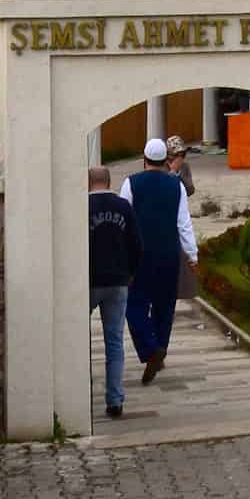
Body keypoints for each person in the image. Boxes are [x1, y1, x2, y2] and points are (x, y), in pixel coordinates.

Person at [121, 138, 198, 384]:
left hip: (139, 255)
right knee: (164, 307)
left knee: (134, 306)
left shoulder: (130, 183)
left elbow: (124, 219)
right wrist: (192, 254)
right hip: (168, 254)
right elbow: (183, 223)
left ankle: (150, 349)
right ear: (166, 161)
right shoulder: (176, 187)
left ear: (144, 160)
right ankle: (160, 350)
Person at [88, 165, 142, 419]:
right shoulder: (124, 207)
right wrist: (131, 273)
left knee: (77, 340)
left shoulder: (82, 208)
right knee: (114, 342)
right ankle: (115, 399)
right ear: (109, 181)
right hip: (118, 281)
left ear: (88, 182)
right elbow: (136, 244)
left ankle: (77, 395)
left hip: (88, 282)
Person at [166, 136, 198, 302]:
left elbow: (191, 189)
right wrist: (171, 173)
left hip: (180, 210)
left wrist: (178, 175)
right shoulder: (162, 167)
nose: (182, 158)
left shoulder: (184, 167)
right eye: (179, 154)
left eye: (183, 155)